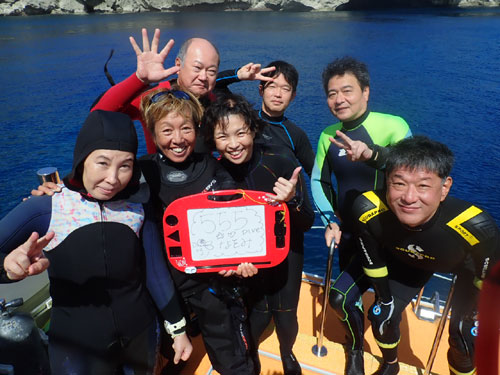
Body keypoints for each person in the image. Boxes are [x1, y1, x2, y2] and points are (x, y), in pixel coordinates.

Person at [0, 110, 192, 374]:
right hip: (77, 348)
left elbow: (156, 273)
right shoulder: (47, 206)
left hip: (141, 336)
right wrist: (8, 271)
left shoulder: (138, 204)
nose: (113, 178)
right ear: (82, 160)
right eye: (102, 163)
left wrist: (178, 328)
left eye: (124, 165)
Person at [352, 136, 499, 375]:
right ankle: (390, 366)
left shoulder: (476, 226)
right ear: (387, 182)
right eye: (399, 184)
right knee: (382, 317)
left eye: (423, 186)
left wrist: (474, 314)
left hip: (467, 269)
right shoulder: (368, 209)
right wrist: (385, 301)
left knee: (463, 337)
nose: (409, 198)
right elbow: (374, 263)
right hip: (410, 260)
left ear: (445, 188)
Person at [138, 87, 259, 375]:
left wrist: (239, 262)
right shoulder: (140, 171)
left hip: (213, 288)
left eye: (186, 129)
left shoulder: (214, 170)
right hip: (165, 289)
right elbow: (95, 179)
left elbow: (238, 223)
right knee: (167, 358)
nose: (177, 139)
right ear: (153, 134)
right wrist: (57, 188)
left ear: (197, 129)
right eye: (167, 130)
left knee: (234, 362)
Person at [310, 56, 412, 374]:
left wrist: (371, 156)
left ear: (366, 92)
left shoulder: (393, 125)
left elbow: (410, 167)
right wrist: (332, 220)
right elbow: (319, 181)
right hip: (352, 239)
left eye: (347, 90)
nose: (339, 99)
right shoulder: (329, 136)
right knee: (342, 300)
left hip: (389, 240)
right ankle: (355, 350)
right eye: (331, 93)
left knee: (384, 311)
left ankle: (390, 363)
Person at [202, 93, 315, 375]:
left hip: (288, 252)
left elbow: (306, 221)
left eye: (241, 132)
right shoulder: (216, 174)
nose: (234, 144)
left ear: (252, 129)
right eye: (223, 136)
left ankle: (287, 353)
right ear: (213, 141)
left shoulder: (280, 159)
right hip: (248, 261)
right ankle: (253, 360)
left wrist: (292, 200)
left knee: (286, 316)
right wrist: (230, 264)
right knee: (257, 314)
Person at [92, 28, 273, 154]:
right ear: (178, 65)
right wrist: (139, 79)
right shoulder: (155, 99)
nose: (203, 77)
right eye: (197, 68)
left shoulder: (216, 103)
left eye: (211, 71)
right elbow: (99, 114)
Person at [216, 60, 315, 175]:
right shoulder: (242, 118)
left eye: (285, 89)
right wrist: (238, 75)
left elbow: (316, 175)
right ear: (261, 90)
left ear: (293, 96)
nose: (278, 94)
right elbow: (214, 85)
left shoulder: (296, 135)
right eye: (272, 86)